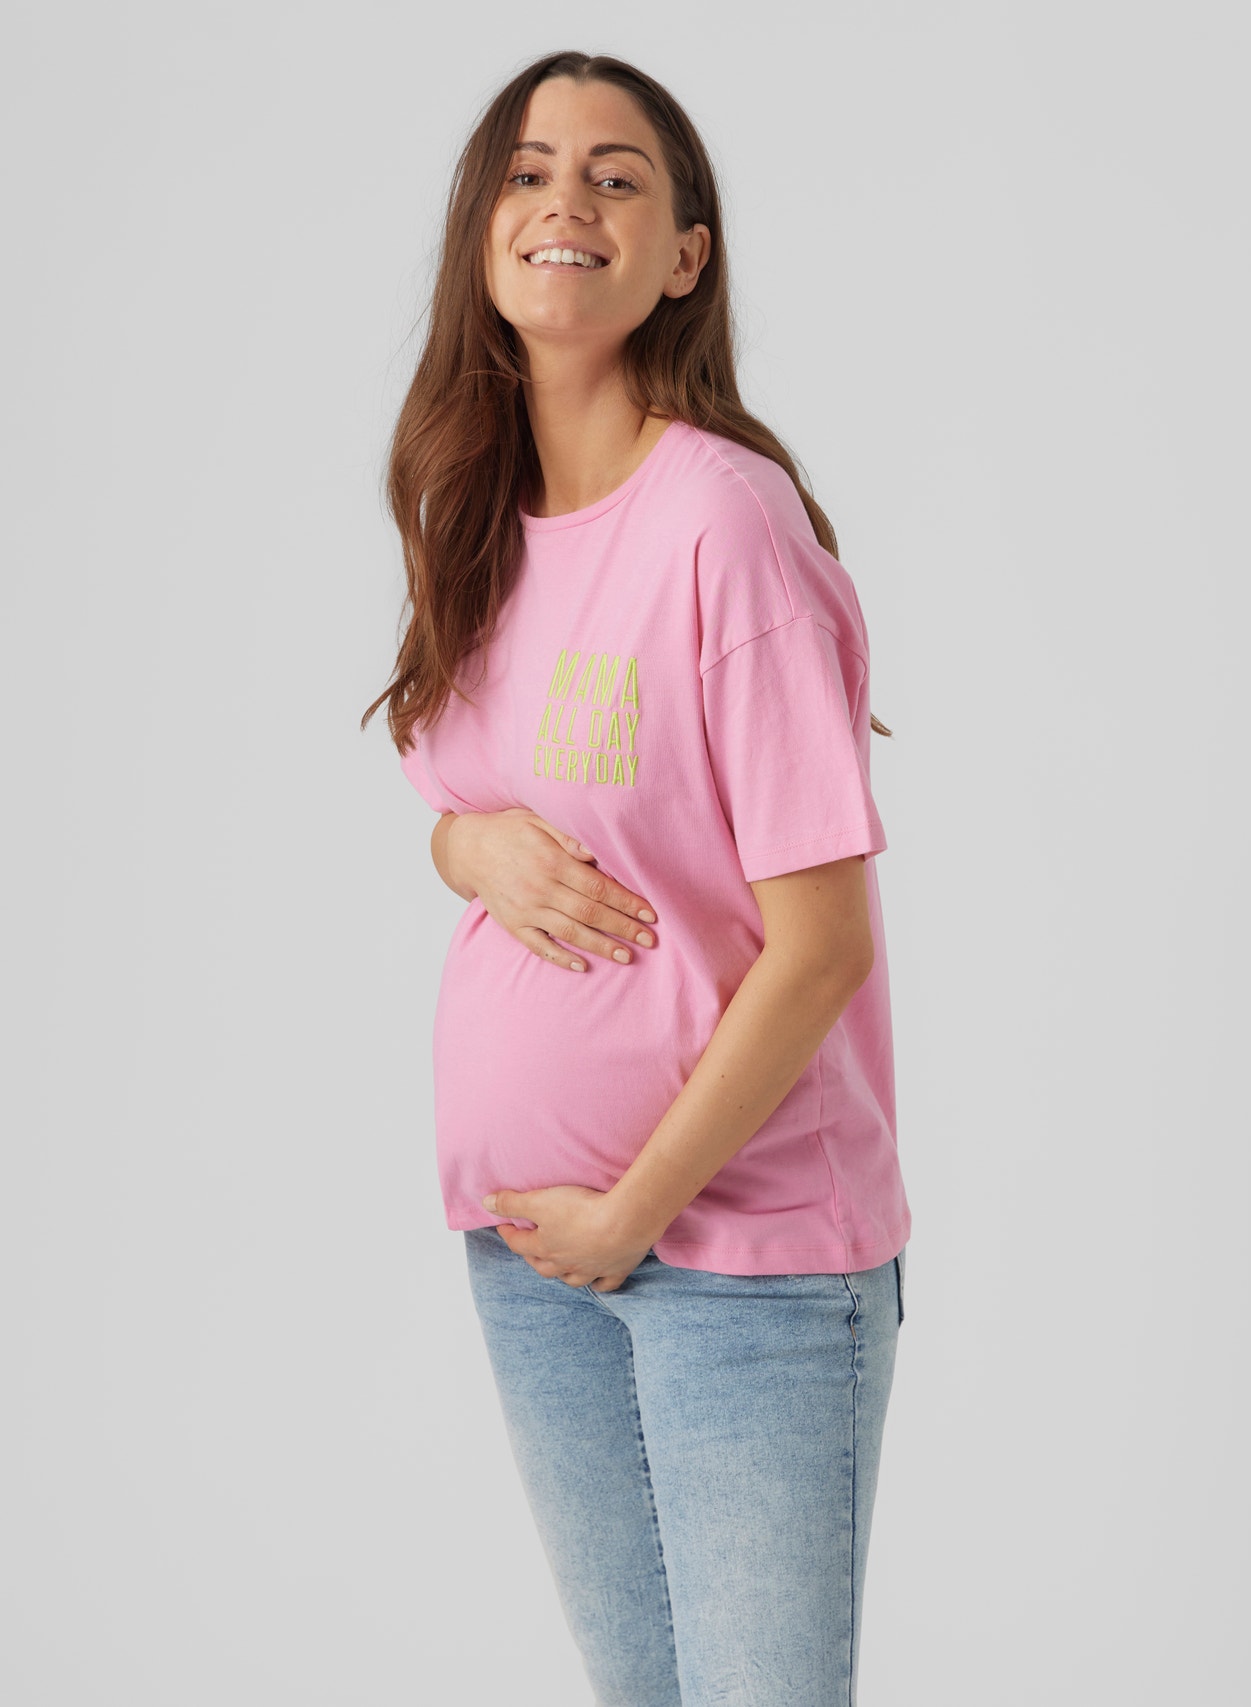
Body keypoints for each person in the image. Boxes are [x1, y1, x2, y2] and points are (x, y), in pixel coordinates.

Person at [363, 49, 912, 1707]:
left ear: (685, 254)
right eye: (530, 172)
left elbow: (821, 946)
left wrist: (636, 1211)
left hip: (743, 1259)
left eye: (618, 176)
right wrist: (461, 843)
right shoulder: (474, 518)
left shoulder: (724, 525)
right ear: (483, 232)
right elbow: (480, 798)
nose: (568, 203)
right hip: (533, 1254)